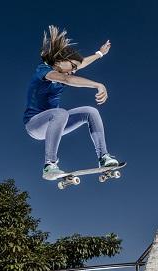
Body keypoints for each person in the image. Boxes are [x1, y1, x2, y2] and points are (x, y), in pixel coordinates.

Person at [24, 25, 120, 180]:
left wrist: (100, 53)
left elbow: (82, 63)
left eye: (75, 69)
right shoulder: (44, 71)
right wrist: (98, 85)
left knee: (90, 111)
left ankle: (104, 157)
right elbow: (67, 79)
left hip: (55, 124)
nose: (74, 71)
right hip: (35, 125)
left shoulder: (65, 68)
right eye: (72, 67)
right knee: (60, 113)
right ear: (60, 61)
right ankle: (50, 165)